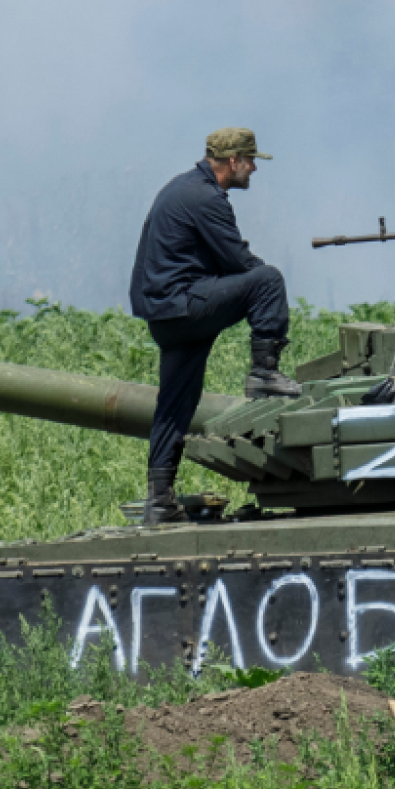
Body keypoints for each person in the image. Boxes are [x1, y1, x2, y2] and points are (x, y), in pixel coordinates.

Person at [130, 127, 301, 525]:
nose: (254, 168)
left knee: (175, 405)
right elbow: (238, 262)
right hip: (184, 304)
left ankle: (159, 500)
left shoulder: (180, 188)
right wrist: (262, 282)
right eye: (250, 160)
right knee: (269, 280)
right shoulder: (205, 198)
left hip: (166, 315)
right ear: (232, 161)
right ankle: (265, 373)